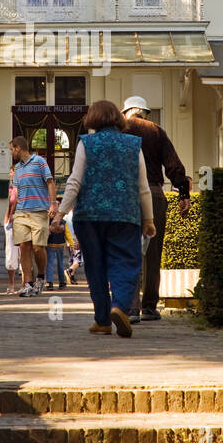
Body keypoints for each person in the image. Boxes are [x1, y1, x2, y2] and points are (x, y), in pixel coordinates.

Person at [54, 100, 155, 337]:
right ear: (118, 119)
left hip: (89, 216)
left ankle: (102, 320)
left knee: (95, 266)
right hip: (125, 215)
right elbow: (143, 187)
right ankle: (120, 306)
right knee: (125, 262)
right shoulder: (134, 144)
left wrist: (60, 214)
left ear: (93, 119)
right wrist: (149, 219)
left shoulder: (86, 143)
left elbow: (74, 182)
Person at [122, 96, 191, 323]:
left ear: (126, 112)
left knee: (127, 249)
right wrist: (183, 193)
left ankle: (130, 307)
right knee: (153, 253)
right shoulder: (156, 131)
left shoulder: (119, 130)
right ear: (145, 112)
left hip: (126, 194)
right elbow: (173, 165)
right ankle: (149, 307)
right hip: (153, 193)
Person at [9, 135, 58, 297]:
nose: (11, 153)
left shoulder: (39, 162)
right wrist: (11, 213)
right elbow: (16, 192)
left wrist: (53, 204)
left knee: (38, 247)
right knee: (24, 246)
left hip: (39, 211)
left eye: (12, 149)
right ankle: (28, 283)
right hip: (21, 212)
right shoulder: (17, 169)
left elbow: (50, 182)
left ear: (18, 148)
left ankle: (41, 277)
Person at [3, 166, 20, 294]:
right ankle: (11, 284)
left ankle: (25, 284)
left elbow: (17, 202)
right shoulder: (11, 188)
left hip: (21, 221)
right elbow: (10, 204)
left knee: (24, 253)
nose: (10, 174)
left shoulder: (21, 187)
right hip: (10, 224)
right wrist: (6, 220)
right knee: (10, 253)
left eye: (11, 172)